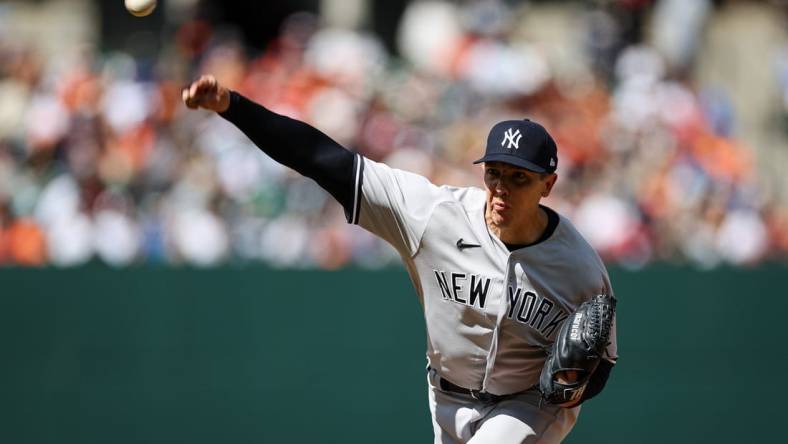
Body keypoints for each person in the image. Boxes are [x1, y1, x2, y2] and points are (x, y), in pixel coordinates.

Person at [183, 75, 618, 444]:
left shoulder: (579, 268)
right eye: (494, 173)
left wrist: (576, 388)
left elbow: (603, 362)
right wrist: (232, 106)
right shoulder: (435, 215)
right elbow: (322, 159)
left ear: (548, 185)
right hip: (445, 396)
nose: (501, 187)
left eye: (519, 178)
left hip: (529, 405)